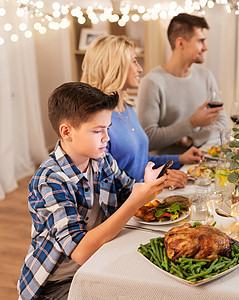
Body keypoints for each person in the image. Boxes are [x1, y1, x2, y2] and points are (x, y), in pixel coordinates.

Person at [18, 82, 167, 299]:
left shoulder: (101, 158)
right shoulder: (49, 180)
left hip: (97, 263)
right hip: (56, 284)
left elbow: (128, 190)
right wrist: (136, 200)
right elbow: (80, 251)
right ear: (66, 132)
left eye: (107, 128)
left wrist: (146, 184)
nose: (106, 138)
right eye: (98, 131)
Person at [81, 35, 203, 187]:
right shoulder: (97, 121)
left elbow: (142, 161)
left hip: (146, 198)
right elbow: (105, 186)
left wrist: (179, 159)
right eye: (133, 61)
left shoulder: (128, 108)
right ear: (115, 66)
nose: (140, 68)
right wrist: (155, 183)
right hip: (128, 205)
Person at [137, 13, 228, 155]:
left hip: (202, 164)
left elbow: (222, 124)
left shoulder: (206, 76)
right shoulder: (152, 83)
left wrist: (192, 139)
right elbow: (147, 138)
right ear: (180, 43)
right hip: (167, 170)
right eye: (200, 41)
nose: (205, 47)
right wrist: (192, 123)